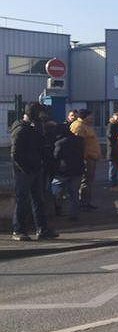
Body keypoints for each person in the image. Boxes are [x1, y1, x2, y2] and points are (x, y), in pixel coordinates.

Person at [10, 103, 59, 241]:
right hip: (24, 172)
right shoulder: (21, 129)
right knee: (23, 200)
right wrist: (27, 169)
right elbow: (16, 154)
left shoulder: (34, 128)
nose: (42, 117)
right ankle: (18, 230)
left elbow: (41, 148)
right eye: (40, 114)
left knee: (38, 200)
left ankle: (42, 229)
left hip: (35, 169)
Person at [50, 123, 85, 221]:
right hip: (77, 170)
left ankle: (58, 208)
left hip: (63, 171)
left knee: (56, 191)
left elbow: (56, 157)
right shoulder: (80, 140)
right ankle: (73, 214)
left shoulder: (60, 143)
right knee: (74, 194)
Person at [70, 109, 101, 210]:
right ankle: (83, 204)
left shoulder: (86, 126)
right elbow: (77, 145)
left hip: (91, 158)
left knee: (88, 181)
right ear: (85, 116)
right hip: (86, 159)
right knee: (85, 182)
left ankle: (86, 202)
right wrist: (85, 156)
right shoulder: (78, 126)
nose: (92, 118)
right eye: (90, 116)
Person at [106, 113, 118, 186]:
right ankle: (112, 182)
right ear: (113, 118)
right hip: (113, 150)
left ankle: (116, 181)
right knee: (113, 167)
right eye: (117, 119)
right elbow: (110, 135)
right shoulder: (111, 125)